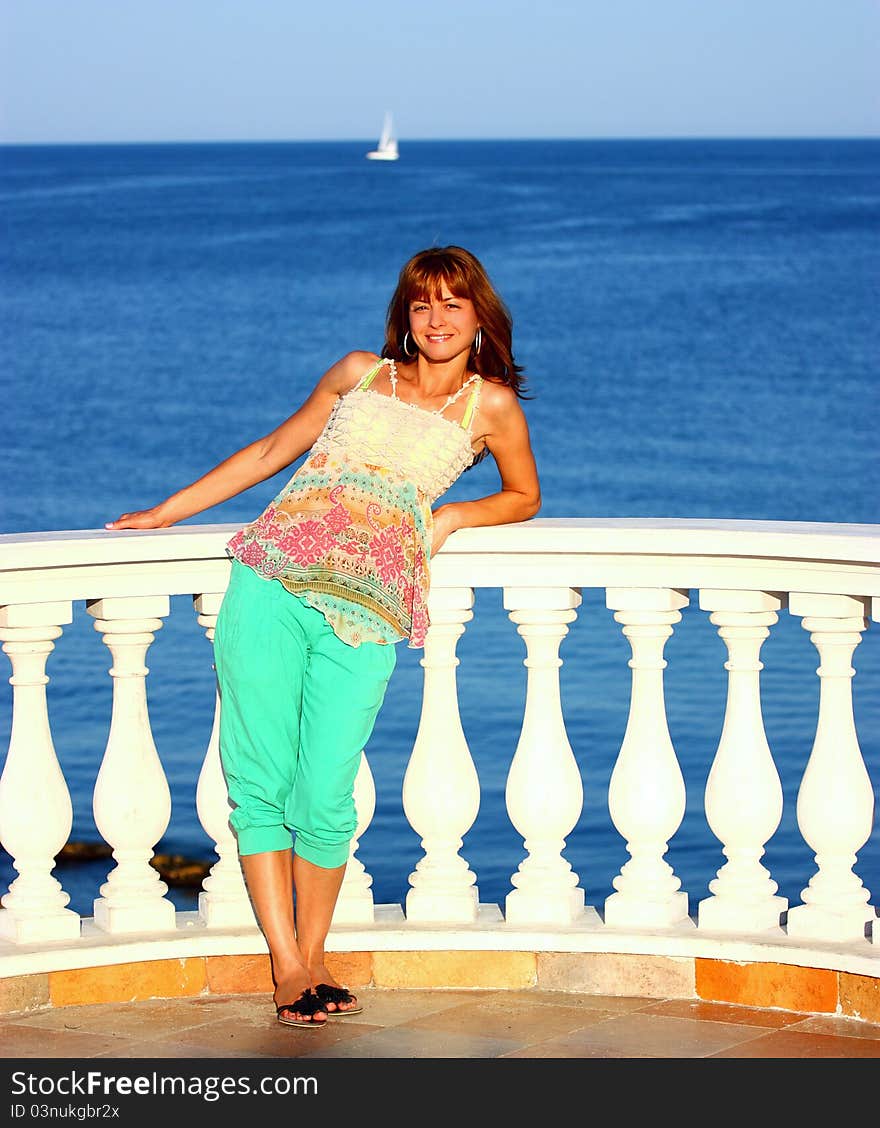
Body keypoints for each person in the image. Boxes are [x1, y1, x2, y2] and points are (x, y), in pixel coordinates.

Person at [105, 245, 541, 1028]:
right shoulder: (359, 374)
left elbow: (522, 495)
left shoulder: (492, 407)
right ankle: (293, 966)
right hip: (269, 583)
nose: (436, 319)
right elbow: (275, 452)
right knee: (260, 779)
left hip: (368, 607)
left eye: (452, 304)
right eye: (421, 304)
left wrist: (449, 517)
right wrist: (168, 511)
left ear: (479, 316)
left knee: (326, 791)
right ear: (404, 315)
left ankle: (313, 954)